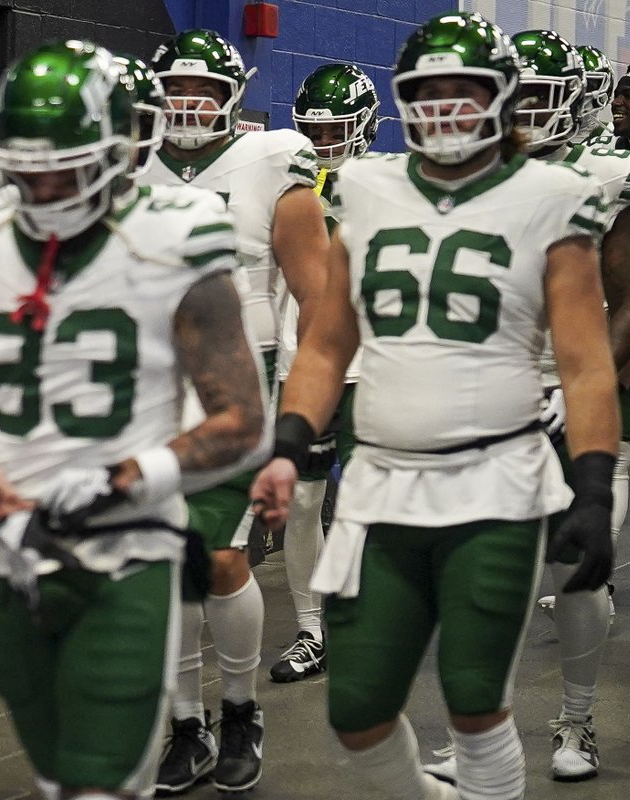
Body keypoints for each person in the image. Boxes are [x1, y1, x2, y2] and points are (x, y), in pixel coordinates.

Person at [252, 12, 619, 800]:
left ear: (501, 98)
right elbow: (325, 343)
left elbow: (588, 365)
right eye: (430, 91)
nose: (448, 107)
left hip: (498, 471)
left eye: (468, 90)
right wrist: (287, 442)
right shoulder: (367, 187)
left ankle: (565, 722)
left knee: (477, 699)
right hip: (384, 481)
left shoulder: (556, 194)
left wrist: (591, 481)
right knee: (356, 710)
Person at [0, 39, 271, 800]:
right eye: (24, 160)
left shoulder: (177, 234)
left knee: (102, 785)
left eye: (64, 160)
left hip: (131, 552)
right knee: (55, 777)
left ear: (121, 151)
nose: (41, 181)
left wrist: (126, 478)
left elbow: (244, 418)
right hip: (13, 553)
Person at [420, 28, 630, 785]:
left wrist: (583, 396)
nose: (533, 112)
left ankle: (576, 721)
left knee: (577, 569)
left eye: (548, 97)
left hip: (581, 394)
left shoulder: (609, 176)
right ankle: (479, 732)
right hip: (489, 397)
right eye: (522, 97)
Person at [136, 28, 329, 795]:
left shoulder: (273, 162)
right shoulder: (129, 165)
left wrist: (311, 401)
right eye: (176, 90)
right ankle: (187, 724)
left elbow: (318, 295)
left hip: (239, 390)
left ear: (231, 98)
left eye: (203, 91)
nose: (188, 105)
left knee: (219, 560)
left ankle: (241, 707)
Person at [269, 62, 381, 686]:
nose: (330, 139)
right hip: (302, 361)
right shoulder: (289, 183)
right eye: (320, 129)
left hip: (369, 366)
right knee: (305, 499)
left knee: (368, 499)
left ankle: (367, 618)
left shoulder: (388, 184)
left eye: (340, 127)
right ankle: (312, 630)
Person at [572, 45, 615, 144]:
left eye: (589, 85)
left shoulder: (618, 138)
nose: (579, 93)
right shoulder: (541, 137)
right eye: (572, 85)